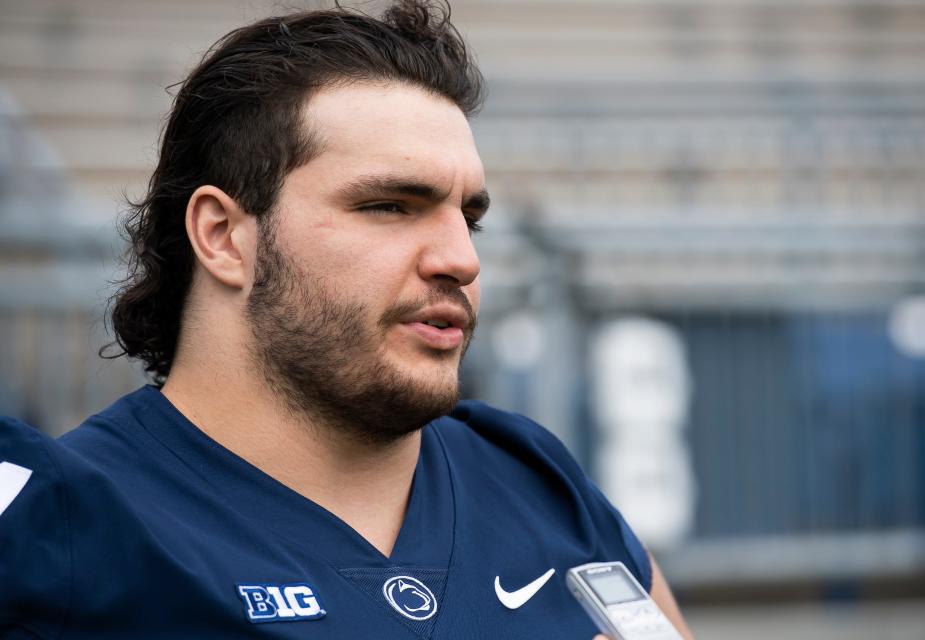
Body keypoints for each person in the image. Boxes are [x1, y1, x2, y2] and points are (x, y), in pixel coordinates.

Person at [0, 2, 693, 638]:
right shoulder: (62, 527)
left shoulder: (536, 480)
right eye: (389, 206)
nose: (460, 259)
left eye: (469, 218)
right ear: (223, 236)